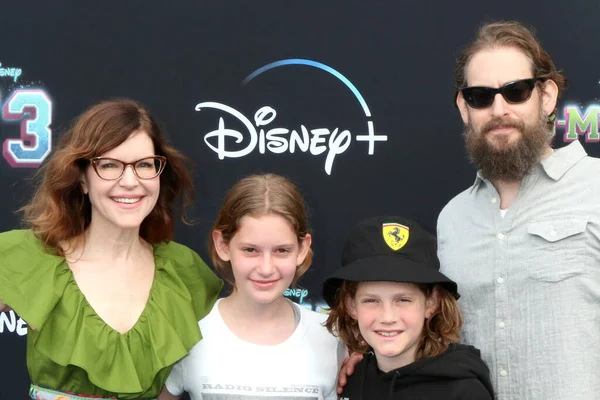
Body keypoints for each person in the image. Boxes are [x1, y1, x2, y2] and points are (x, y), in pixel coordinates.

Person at [0, 99, 223, 399]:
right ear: (81, 179)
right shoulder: (26, 257)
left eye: (145, 165)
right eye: (109, 165)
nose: (130, 181)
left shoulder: (184, 271)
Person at [437, 21, 600, 399]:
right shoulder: (452, 219)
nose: (499, 109)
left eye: (516, 91)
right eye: (480, 96)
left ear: (546, 97)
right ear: (464, 108)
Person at [160, 173, 345, 400]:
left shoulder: (330, 336)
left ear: (303, 248)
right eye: (250, 250)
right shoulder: (190, 332)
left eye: (281, 250)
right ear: (222, 245)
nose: (266, 268)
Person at [323, 216, 494, 399]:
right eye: (371, 301)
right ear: (351, 305)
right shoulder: (349, 380)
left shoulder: (463, 391)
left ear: (431, 302)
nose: (388, 317)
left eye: (403, 300)